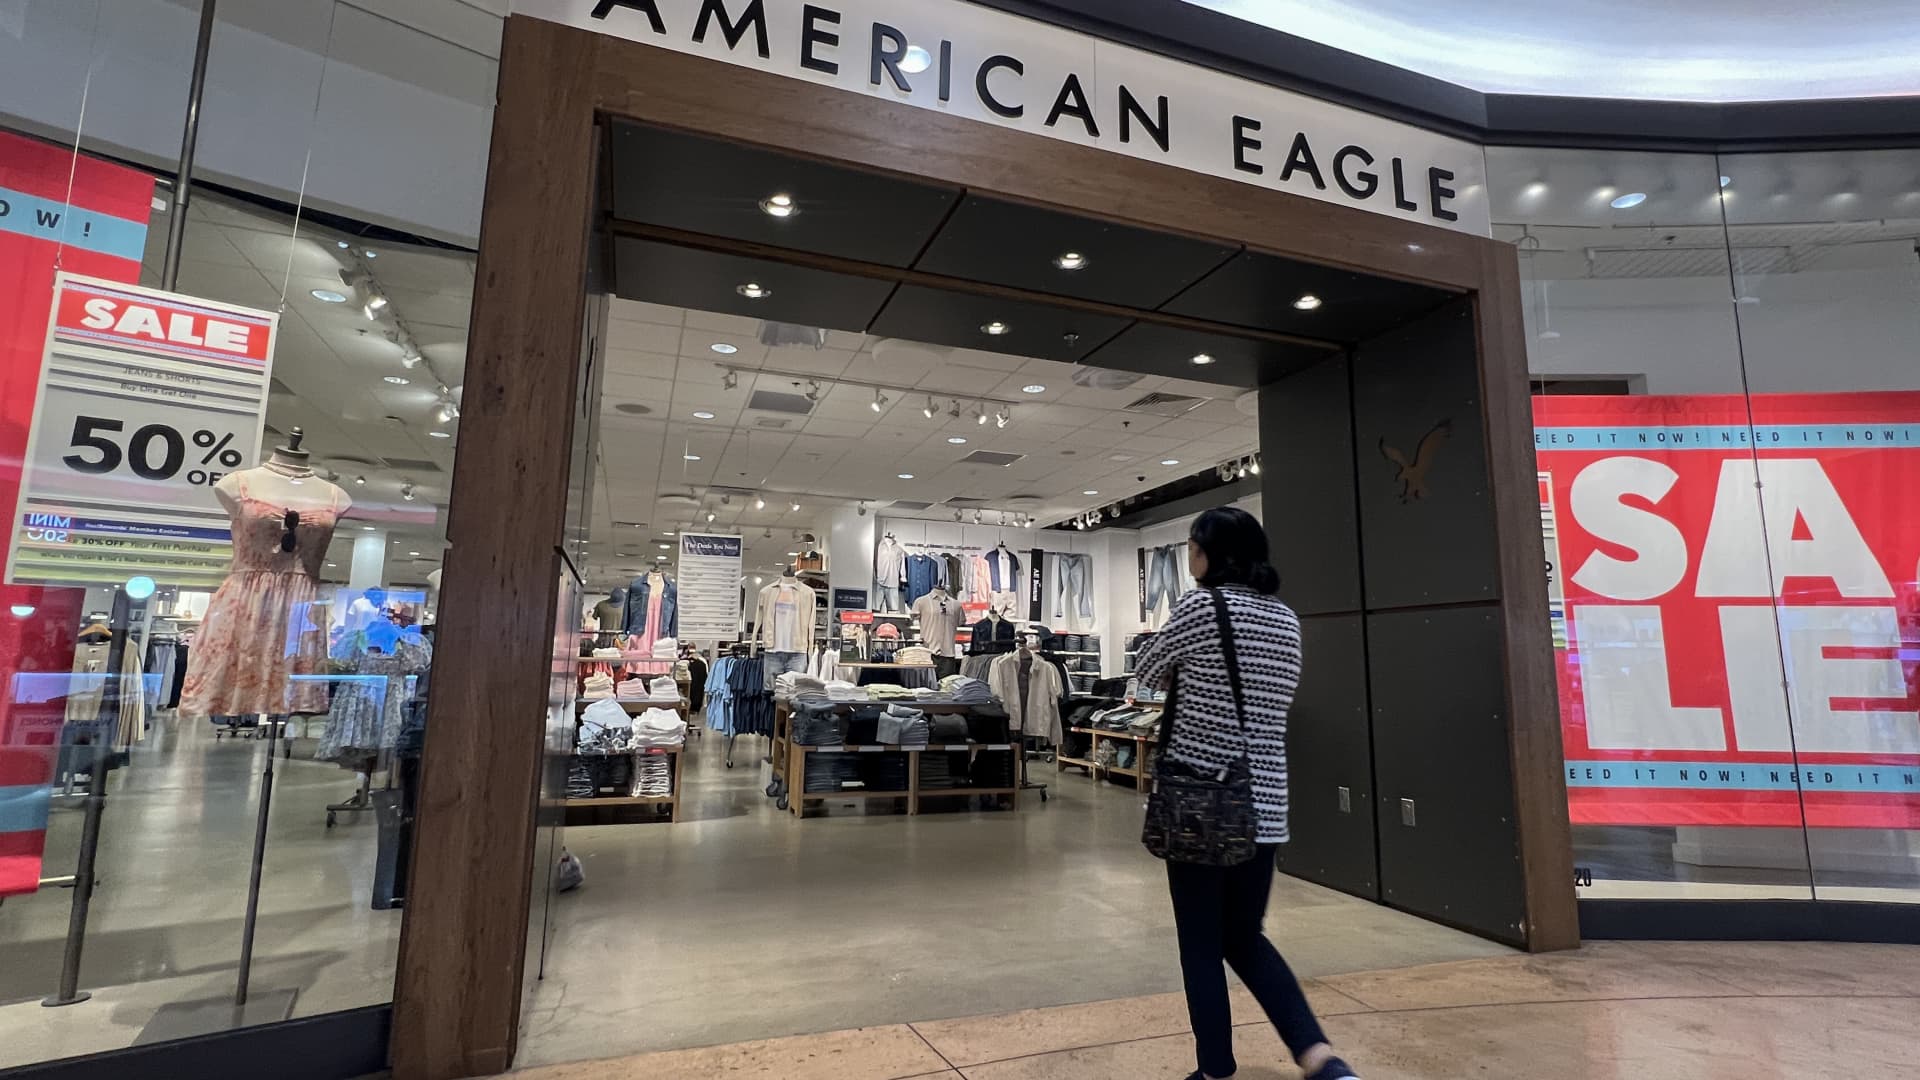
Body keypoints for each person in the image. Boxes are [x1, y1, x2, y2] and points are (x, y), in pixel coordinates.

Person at [1132, 507, 1359, 1080]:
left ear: (1210, 553)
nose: (1189, 555)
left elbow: (1147, 670)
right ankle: (1320, 1058)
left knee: (1200, 943)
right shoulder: (1285, 618)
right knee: (1244, 936)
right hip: (1266, 804)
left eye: (1192, 545)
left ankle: (1215, 1069)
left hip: (1203, 801)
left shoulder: (1200, 607)